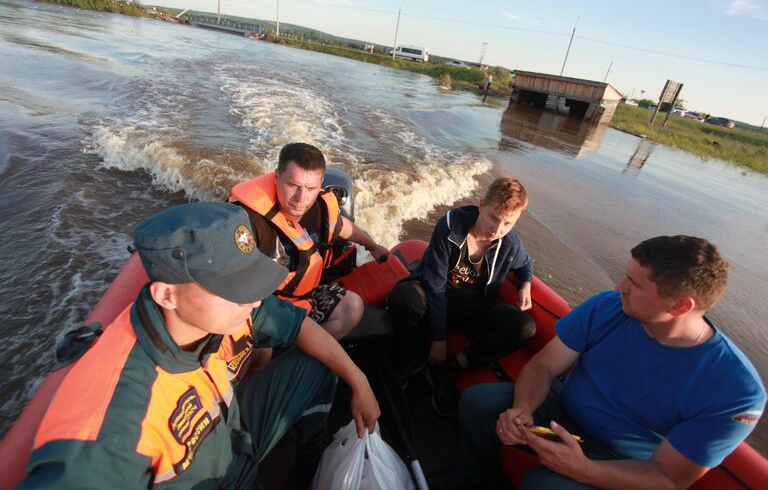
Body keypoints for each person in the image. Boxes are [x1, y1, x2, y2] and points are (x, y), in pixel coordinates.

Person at [18, 202, 380, 489]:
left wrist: (360, 382)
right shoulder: (115, 426)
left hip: (235, 440)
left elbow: (299, 325)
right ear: (167, 295)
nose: (253, 301)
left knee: (321, 363)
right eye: (234, 289)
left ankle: (306, 458)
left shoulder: (226, 311)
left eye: (251, 283)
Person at [456, 235, 766, 489]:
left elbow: (667, 477)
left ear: (680, 305)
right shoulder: (609, 307)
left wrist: (583, 469)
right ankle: (479, 480)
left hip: (621, 458)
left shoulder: (735, 391)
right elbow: (544, 366)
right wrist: (523, 408)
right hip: (559, 413)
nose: (620, 287)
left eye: (635, 284)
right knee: (479, 403)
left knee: (545, 485)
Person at [387, 177, 536, 418]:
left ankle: (453, 366)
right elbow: (435, 287)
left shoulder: (509, 243)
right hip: (433, 293)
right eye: (493, 218)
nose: (497, 229)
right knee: (404, 298)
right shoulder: (450, 227)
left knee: (525, 326)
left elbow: (525, 263)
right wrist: (439, 339)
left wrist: (525, 284)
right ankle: (408, 358)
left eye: (507, 223)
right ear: (481, 205)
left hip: (472, 305)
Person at [230, 142, 389, 340]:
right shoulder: (246, 222)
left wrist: (372, 245)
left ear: (320, 183)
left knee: (352, 307)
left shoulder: (320, 207)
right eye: (293, 185)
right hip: (263, 306)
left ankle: (298, 357)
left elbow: (342, 227)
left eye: (311, 188)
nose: (301, 198)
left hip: (304, 297)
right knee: (262, 347)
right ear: (277, 177)